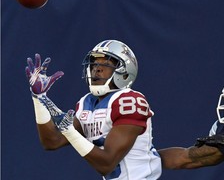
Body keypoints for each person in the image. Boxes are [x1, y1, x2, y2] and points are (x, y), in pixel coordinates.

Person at [25, 39, 162, 180]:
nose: (97, 68)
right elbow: (52, 141)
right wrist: (38, 97)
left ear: (125, 73)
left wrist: (69, 131)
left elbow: (106, 164)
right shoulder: (86, 103)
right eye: (94, 63)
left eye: (106, 64)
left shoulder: (129, 102)